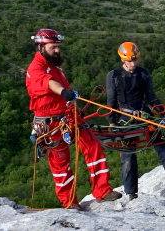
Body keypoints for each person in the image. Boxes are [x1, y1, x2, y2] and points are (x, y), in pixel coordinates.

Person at [25, 29, 121, 209]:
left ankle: (103, 190)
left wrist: (72, 107)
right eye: (53, 47)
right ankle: (70, 202)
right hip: (51, 123)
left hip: (69, 117)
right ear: (40, 46)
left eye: (58, 47)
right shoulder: (35, 69)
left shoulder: (54, 66)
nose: (56, 51)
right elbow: (48, 83)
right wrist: (63, 91)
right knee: (61, 164)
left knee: (92, 147)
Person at [105, 42, 165, 202]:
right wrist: (112, 122)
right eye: (130, 61)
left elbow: (152, 97)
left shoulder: (143, 73)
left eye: (135, 60)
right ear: (123, 59)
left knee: (163, 143)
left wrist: (163, 115)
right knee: (128, 153)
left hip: (144, 114)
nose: (133, 64)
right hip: (125, 117)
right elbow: (111, 102)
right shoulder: (113, 76)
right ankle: (131, 193)